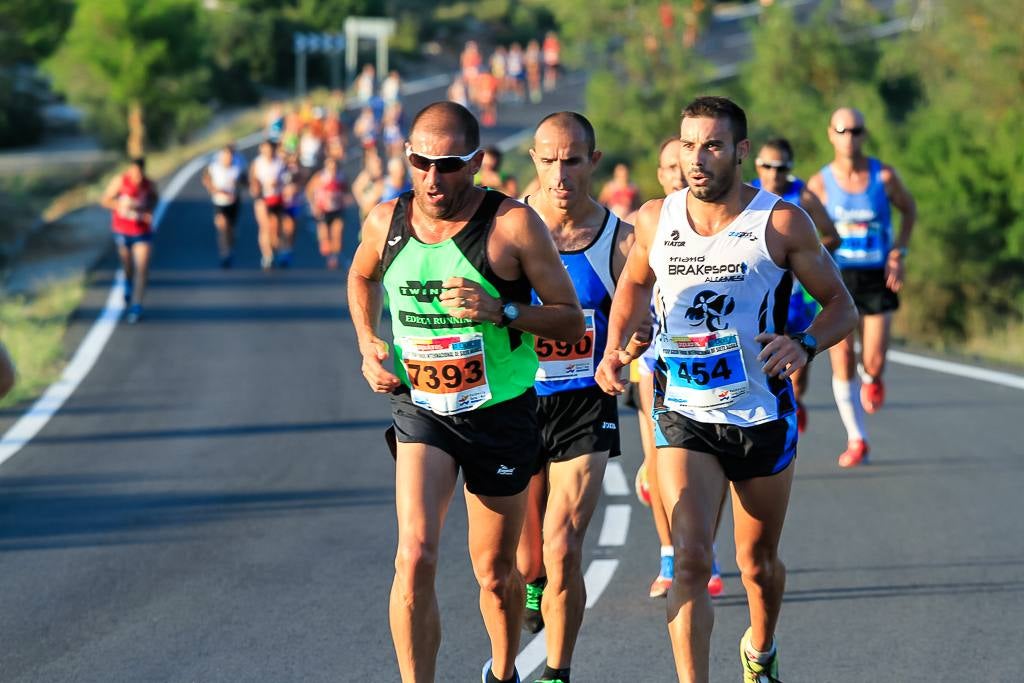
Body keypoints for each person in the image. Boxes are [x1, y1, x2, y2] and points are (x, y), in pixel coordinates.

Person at [595, 96, 857, 683]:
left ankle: (760, 651)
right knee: (690, 559)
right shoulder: (655, 219)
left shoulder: (781, 223)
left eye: (712, 146)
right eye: (688, 146)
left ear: (740, 151)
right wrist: (615, 349)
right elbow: (633, 286)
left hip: (761, 414)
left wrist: (805, 344)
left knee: (757, 564)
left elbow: (843, 307)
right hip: (683, 412)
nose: (698, 158)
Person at [347, 101, 584, 683]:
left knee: (495, 573)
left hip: (499, 414)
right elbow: (361, 274)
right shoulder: (386, 221)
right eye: (421, 162)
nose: (433, 178)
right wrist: (367, 342)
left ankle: (503, 673)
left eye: (449, 164)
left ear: (476, 162)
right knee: (415, 555)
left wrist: (502, 310)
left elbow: (570, 321)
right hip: (420, 408)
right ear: (408, 158)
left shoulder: (512, 226)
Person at [514, 113, 641, 683]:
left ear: (593, 160)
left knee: (563, 544)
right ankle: (533, 584)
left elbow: (644, 314)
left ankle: (557, 673)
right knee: (524, 560)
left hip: (584, 403)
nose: (560, 174)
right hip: (514, 399)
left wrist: (631, 343)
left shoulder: (620, 240)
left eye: (572, 160)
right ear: (534, 161)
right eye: (549, 160)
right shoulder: (505, 227)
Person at [625, 137, 730, 600]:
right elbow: (622, 294)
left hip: (711, 361)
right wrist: (621, 343)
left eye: (682, 163)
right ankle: (671, 552)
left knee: (716, 467)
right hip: (653, 363)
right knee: (657, 462)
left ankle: (701, 549)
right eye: (669, 165)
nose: (678, 171)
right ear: (662, 172)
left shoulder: (718, 222)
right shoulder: (643, 225)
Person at [807, 108, 916, 467]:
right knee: (842, 358)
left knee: (873, 359)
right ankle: (857, 438)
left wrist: (899, 251)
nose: (849, 137)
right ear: (831, 135)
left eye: (855, 130)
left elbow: (909, 209)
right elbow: (803, 229)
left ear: (863, 135)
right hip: (837, 277)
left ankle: (872, 377)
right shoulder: (819, 184)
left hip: (877, 275)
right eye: (842, 130)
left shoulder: (882, 176)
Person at [752, 138, 841, 433]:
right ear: (756, 165)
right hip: (758, 291)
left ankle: (795, 400)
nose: (773, 174)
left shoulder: (802, 196)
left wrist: (802, 258)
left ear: (789, 169)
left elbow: (831, 235)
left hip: (796, 294)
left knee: (796, 364)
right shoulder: (746, 195)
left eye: (781, 168)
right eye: (767, 166)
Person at [101, 157, 159, 323]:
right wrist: (120, 205)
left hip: (142, 231)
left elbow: (155, 199)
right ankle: (127, 284)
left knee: (143, 267)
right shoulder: (120, 181)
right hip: (123, 230)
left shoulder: (149, 184)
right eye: (135, 173)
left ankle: (137, 305)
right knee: (128, 266)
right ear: (130, 170)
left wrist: (148, 211)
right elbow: (104, 200)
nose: (137, 177)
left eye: (140, 173)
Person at [201, 144, 245, 268]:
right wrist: (213, 189)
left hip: (234, 201)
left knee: (231, 229)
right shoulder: (214, 167)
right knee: (222, 226)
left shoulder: (238, 166)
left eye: (230, 156)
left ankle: (230, 249)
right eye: (225, 155)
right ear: (221, 156)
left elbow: (245, 181)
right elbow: (206, 178)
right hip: (219, 202)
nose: (228, 158)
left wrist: (238, 185)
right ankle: (224, 253)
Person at [306, 155, 351, 270]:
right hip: (323, 210)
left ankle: (334, 257)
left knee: (338, 233)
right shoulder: (320, 177)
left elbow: (347, 190)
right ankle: (329, 253)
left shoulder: (341, 177)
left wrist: (345, 198)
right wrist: (313, 205)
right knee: (325, 237)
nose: (333, 168)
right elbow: (309, 191)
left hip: (338, 209)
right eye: (330, 166)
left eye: (334, 166)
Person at [249, 140, 285, 270]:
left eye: (269, 149)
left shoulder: (280, 162)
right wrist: (258, 187)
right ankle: (267, 255)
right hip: (262, 198)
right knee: (264, 227)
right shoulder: (257, 163)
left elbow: (287, 178)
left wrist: (279, 183)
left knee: (275, 229)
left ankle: (274, 249)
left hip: (276, 197)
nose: (267, 152)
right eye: (264, 149)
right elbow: (252, 181)